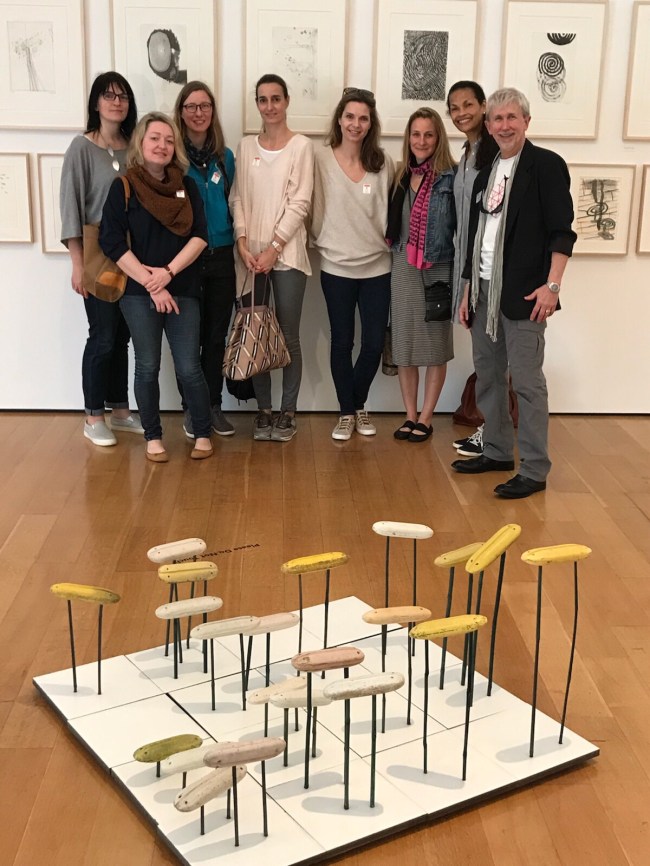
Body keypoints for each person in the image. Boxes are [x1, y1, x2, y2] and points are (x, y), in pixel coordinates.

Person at [452, 88, 576, 498]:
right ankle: (497, 451)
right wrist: (467, 290)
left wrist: (552, 287)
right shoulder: (486, 173)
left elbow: (562, 232)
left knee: (526, 383)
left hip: (525, 294)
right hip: (483, 291)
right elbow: (475, 238)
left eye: (512, 118)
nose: (504, 126)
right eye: (497, 119)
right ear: (488, 125)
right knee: (488, 377)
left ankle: (535, 470)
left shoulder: (546, 166)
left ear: (526, 121)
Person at [99, 112, 212, 463]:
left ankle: (202, 432)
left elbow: (200, 237)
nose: (162, 145)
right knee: (147, 366)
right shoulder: (123, 186)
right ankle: (153, 436)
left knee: (189, 367)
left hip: (183, 288)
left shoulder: (187, 186)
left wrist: (167, 273)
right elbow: (111, 242)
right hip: (138, 293)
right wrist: (152, 283)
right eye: (155, 138)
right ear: (141, 143)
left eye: (168, 140)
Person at [229, 73, 314, 442]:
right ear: (257, 104)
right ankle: (263, 410)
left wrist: (273, 248)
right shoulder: (245, 146)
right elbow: (237, 198)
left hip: (287, 255)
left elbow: (301, 202)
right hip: (249, 257)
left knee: (288, 335)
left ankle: (287, 412)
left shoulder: (302, 147)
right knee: (256, 330)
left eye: (276, 98)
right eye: (263, 100)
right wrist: (243, 243)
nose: (269, 106)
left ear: (287, 101)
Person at [60, 71, 142, 447]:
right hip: (97, 253)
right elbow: (71, 209)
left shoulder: (133, 147)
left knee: (122, 336)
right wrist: (77, 265)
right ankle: (93, 416)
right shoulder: (81, 148)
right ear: (96, 103)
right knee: (103, 336)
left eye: (122, 96)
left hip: (132, 253)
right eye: (108, 95)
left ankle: (120, 410)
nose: (116, 102)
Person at [311, 88, 394, 441]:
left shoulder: (384, 162)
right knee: (342, 342)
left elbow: (393, 212)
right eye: (350, 116)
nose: (355, 124)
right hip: (336, 268)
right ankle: (347, 412)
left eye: (363, 118)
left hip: (378, 268)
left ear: (371, 123)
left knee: (373, 344)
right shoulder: (319, 159)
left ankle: (356, 403)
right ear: (339, 119)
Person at [386, 108, 456, 442]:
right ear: (408, 138)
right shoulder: (400, 175)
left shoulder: (451, 176)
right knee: (405, 346)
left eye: (429, 134)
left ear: (438, 137)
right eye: (416, 134)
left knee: (435, 346)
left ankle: (426, 418)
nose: (422, 141)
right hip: (402, 266)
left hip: (437, 267)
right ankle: (410, 415)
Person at [173, 81, 236, 438]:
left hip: (222, 257)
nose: (199, 113)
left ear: (212, 111)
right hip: (186, 260)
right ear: (181, 113)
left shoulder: (225, 158)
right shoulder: (173, 157)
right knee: (188, 339)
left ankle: (213, 406)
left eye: (205, 106)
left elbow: (234, 203)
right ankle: (191, 408)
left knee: (215, 338)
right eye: (191, 106)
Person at [447, 80, 500, 458]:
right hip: (467, 265)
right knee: (484, 352)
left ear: (483, 106)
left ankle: (493, 432)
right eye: (454, 107)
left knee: (493, 353)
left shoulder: (496, 152)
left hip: (488, 268)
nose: (461, 112)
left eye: (468, 104)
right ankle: (491, 429)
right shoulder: (466, 154)